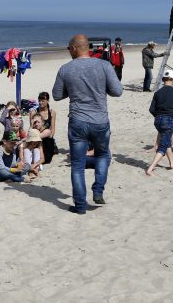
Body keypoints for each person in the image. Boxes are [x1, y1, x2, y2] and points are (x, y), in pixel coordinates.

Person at [52, 34, 122, 214]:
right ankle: (98, 190)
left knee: (77, 165)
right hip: (100, 121)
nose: (69, 52)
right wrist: (99, 88)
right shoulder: (104, 65)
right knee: (103, 156)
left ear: (75, 48)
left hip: (78, 121)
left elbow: (57, 95)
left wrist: (74, 89)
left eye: (69, 49)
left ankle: (81, 206)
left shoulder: (65, 69)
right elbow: (117, 91)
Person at [146, 69, 173, 176]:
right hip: (168, 120)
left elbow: (151, 109)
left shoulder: (157, 93)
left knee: (166, 140)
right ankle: (150, 169)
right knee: (163, 146)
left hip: (157, 120)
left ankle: (172, 163)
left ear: (164, 79)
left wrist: (159, 116)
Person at [30, 91, 58, 164]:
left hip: (47, 138)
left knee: (47, 159)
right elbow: (31, 127)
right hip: (36, 138)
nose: (40, 103)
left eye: (43, 101)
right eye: (39, 101)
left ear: (47, 101)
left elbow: (52, 128)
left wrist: (49, 135)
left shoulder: (52, 112)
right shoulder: (34, 112)